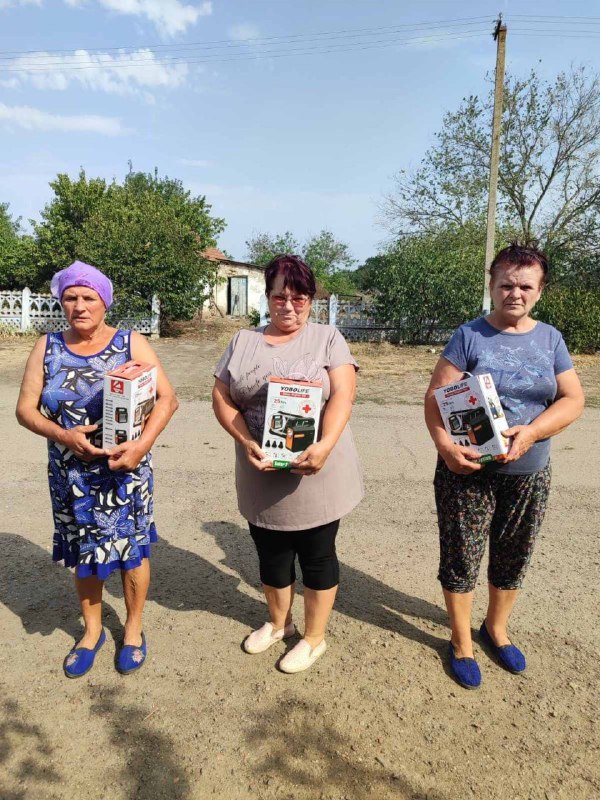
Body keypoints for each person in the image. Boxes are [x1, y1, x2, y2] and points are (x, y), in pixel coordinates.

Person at [424, 244, 584, 689]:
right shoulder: (468, 336)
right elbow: (435, 399)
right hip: (467, 473)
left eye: (526, 286)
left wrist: (531, 433)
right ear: (492, 286)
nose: (515, 293)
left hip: (529, 472)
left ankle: (495, 629)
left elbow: (573, 399)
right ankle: (461, 642)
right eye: (506, 284)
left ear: (540, 291)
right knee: (461, 557)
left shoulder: (550, 339)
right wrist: (445, 447)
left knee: (514, 555)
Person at [16, 261, 178, 678]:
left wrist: (142, 445)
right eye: (70, 297)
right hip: (71, 476)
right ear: (61, 303)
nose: (79, 305)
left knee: (131, 551)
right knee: (84, 553)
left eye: (89, 297)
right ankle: (92, 632)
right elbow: (24, 410)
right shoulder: (47, 346)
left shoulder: (130, 343)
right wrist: (63, 435)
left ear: (105, 302)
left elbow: (168, 399)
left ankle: (133, 629)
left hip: (126, 471)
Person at [212, 254, 363, 673]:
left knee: (317, 555)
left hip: (317, 471)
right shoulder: (243, 341)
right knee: (271, 554)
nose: (289, 306)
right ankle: (280, 623)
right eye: (280, 297)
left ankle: (314, 638)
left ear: (311, 300)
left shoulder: (328, 338)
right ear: (267, 296)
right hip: (261, 470)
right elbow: (222, 398)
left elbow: (344, 395)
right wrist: (245, 440)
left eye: (299, 298)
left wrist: (325, 445)